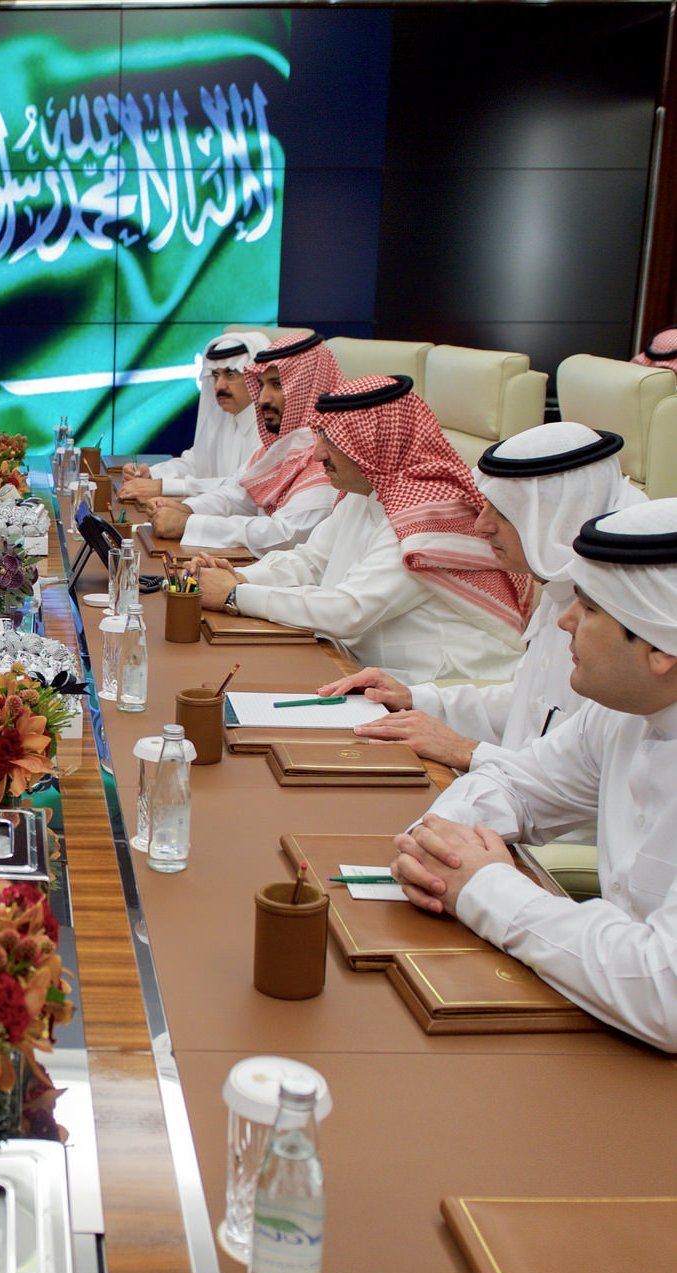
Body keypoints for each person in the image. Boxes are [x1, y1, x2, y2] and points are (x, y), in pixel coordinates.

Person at [391, 499, 677, 1052]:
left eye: (589, 609)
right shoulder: (620, 711)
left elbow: (663, 991)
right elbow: (518, 784)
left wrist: (484, 887)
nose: (564, 620)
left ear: (661, 650)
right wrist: (441, 846)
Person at [318, 422, 647, 768]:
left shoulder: (623, 616)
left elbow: (577, 784)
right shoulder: (561, 582)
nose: (481, 525)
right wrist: (414, 698)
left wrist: (465, 750)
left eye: (502, 512)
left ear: (557, 520)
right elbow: (528, 703)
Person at [192, 375, 531, 683]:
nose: (317, 456)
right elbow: (310, 561)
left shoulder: (428, 511)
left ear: (376, 443)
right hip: (363, 668)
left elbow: (349, 611)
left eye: (333, 441)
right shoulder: (365, 492)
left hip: (445, 688)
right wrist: (242, 578)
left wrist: (234, 595)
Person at [148, 332, 342, 555]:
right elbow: (238, 495)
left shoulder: (329, 457)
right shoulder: (280, 446)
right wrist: (185, 508)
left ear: (309, 387)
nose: (262, 399)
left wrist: (187, 524)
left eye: (277, 385)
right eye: (261, 385)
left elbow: (287, 535)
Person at [118, 331, 270, 499]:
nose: (219, 386)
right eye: (215, 375)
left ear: (257, 377)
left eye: (230, 375)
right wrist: (151, 474)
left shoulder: (271, 429)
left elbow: (240, 488)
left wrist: (163, 487)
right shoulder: (223, 418)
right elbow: (197, 463)